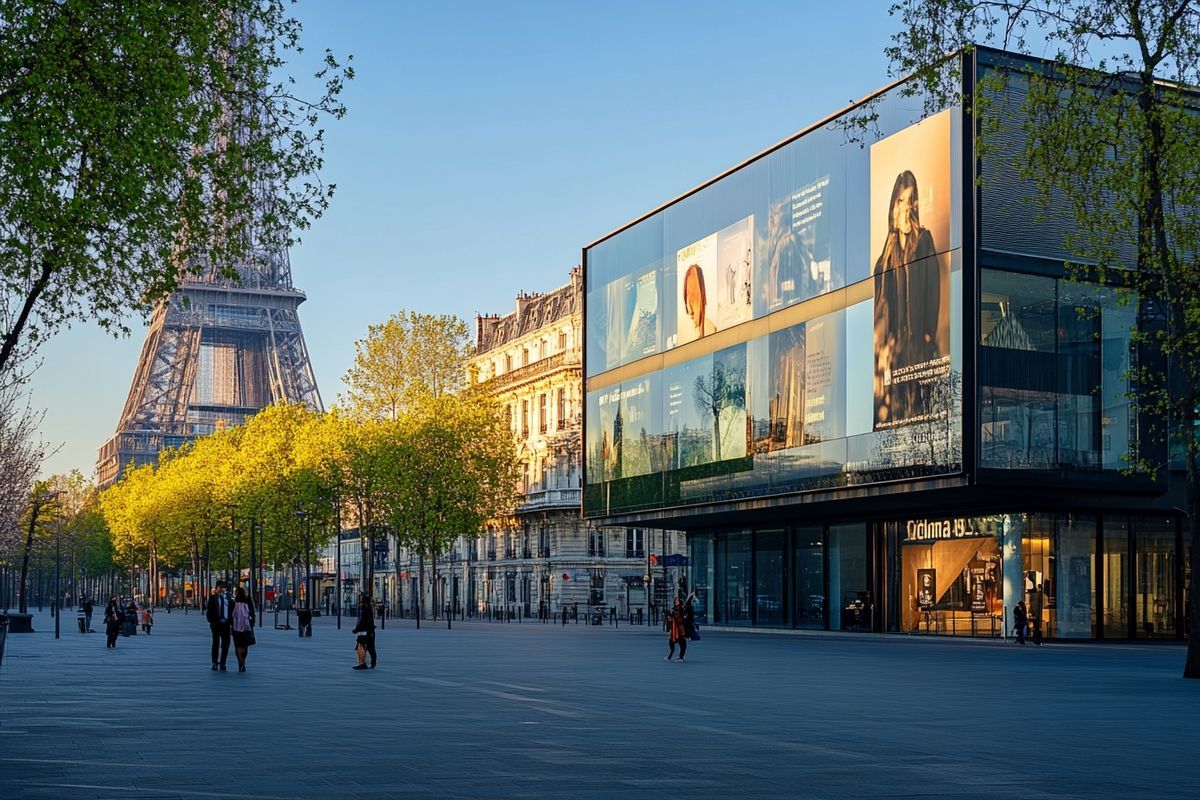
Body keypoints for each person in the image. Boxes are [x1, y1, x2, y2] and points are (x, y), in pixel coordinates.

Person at [681, 264, 716, 342]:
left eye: (693, 297)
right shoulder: (683, 331)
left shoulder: (710, 328)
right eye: (688, 294)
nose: (690, 306)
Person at [206, 581, 233, 671]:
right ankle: (214, 662)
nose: (222, 589)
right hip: (216, 624)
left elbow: (232, 611)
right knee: (215, 643)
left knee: (226, 644)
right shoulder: (213, 598)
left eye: (224, 587)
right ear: (216, 588)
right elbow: (209, 610)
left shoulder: (229, 599)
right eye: (220, 587)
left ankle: (223, 663)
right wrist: (211, 621)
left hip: (226, 624)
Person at [230, 586, 255, 673]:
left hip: (236, 627)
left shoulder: (233, 601)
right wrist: (252, 623)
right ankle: (243, 662)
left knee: (238, 646)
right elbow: (252, 612)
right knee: (245, 646)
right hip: (246, 627)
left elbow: (230, 615)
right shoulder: (248, 600)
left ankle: (241, 663)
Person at [352, 592, 377, 670]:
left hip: (364, 630)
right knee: (370, 647)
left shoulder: (364, 608)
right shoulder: (371, 607)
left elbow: (362, 620)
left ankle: (362, 663)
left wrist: (356, 629)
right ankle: (372, 662)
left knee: (361, 646)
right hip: (370, 630)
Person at [665, 596, 688, 663]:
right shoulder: (675, 609)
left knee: (682, 642)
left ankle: (681, 657)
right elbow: (671, 619)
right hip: (675, 628)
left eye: (677, 600)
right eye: (675, 600)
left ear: (680, 601)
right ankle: (671, 656)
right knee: (671, 642)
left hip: (680, 628)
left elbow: (683, 618)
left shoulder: (682, 608)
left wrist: (673, 616)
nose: (676, 601)